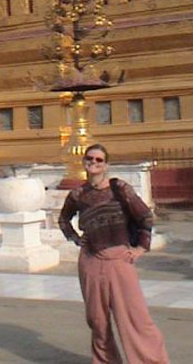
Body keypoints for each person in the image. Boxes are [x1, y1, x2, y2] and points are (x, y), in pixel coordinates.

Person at [58, 143, 170, 364]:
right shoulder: (77, 194)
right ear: (84, 162)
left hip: (119, 258)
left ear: (106, 164)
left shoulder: (119, 189)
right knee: (97, 320)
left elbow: (145, 217)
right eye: (90, 159)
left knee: (134, 317)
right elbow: (63, 220)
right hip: (90, 260)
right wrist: (76, 238)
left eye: (99, 160)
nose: (94, 163)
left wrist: (140, 248)